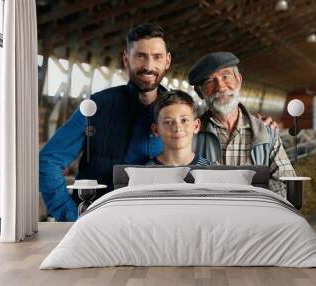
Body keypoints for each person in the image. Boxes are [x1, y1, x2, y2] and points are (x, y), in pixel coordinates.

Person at [40, 23, 277, 221]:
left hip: (160, 222)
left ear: (167, 61)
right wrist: (70, 217)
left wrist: (257, 123)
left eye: (156, 57)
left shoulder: (179, 113)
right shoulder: (97, 107)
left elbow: (220, 116)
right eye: (140, 56)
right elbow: (48, 160)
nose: (148, 66)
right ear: (126, 59)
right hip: (99, 220)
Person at [188, 52, 296, 197]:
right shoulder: (189, 136)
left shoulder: (266, 134)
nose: (220, 87)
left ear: (238, 80)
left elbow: (287, 182)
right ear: (200, 92)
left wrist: (251, 202)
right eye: (209, 81)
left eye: (226, 76)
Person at [147, 90, 212, 166]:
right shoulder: (142, 174)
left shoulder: (211, 172)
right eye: (168, 122)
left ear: (196, 126)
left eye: (184, 120)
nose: (177, 128)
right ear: (156, 130)